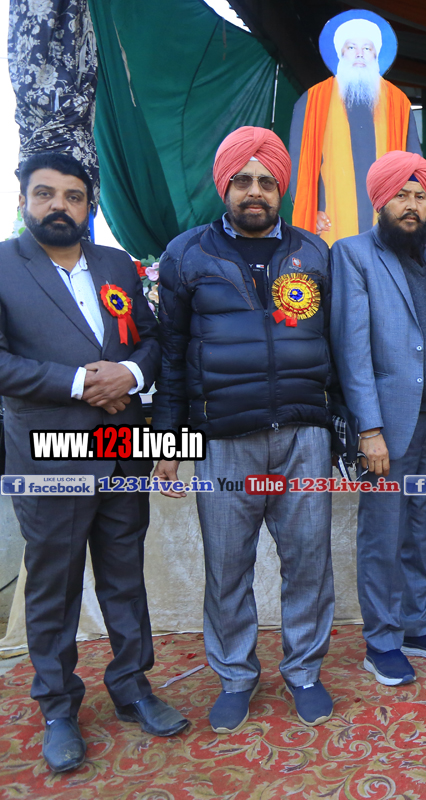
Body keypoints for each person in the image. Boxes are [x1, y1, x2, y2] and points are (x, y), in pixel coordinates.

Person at [0, 153, 185, 773]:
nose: (60, 205)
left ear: (89, 206)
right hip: (48, 460)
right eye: (45, 194)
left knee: (125, 577)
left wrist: (129, 372)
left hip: (122, 452)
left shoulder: (115, 265)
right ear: (24, 200)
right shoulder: (3, 265)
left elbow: (152, 340)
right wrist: (80, 382)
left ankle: (132, 686)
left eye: (73, 196)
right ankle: (57, 707)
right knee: (53, 587)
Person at [152, 127, 336, 732]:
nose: (254, 191)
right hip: (222, 442)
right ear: (223, 186)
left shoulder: (314, 253)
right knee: (227, 566)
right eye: (242, 181)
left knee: (308, 563)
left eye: (266, 181)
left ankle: (304, 671)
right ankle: (235, 675)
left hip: (304, 438)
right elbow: (172, 355)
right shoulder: (186, 255)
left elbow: (334, 347)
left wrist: (343, 430)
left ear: (281, 187)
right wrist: (166, 443)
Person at [330, 151, 426, 687]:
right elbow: (352, 350)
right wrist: (368, 430)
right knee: (383, 536)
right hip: (386, 429)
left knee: (425, 530)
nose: (412, 206)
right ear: (379, 201)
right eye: (401, 195)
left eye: (420, 196)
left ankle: (418, 626)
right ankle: (383, 641)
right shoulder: (353, 254)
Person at [289, 14, 422, 244]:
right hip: (330, 218)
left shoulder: (398, 102)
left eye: (367, 48)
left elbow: (414, 165)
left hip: (387, 216)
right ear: (340, 53)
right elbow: (300, 165)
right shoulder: (312, 101)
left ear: (376, 55)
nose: (360, 54)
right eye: (351, 47)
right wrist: (314, 210)